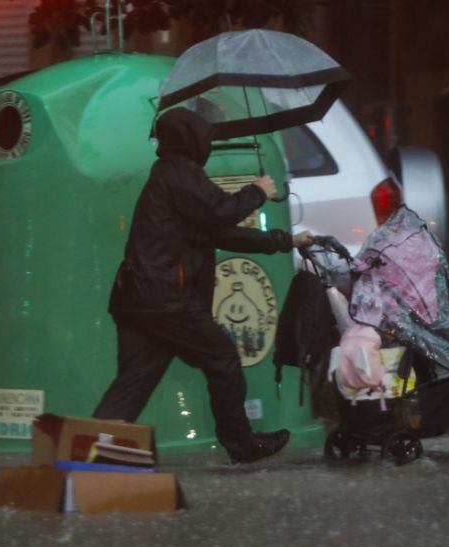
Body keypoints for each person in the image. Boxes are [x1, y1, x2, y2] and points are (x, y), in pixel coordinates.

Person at [93, 106, 313, 463]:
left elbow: (221, 232)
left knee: (134, 380)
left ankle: (94, 450)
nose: (208, 146)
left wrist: (285, 240)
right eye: (204, 139)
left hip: (138, 298)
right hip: (165, 298)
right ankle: (240, 442)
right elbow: (223, 213)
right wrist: (257, 191)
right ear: (190, 141)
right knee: (222, 358)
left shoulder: (172, 176)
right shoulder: (180, 175)